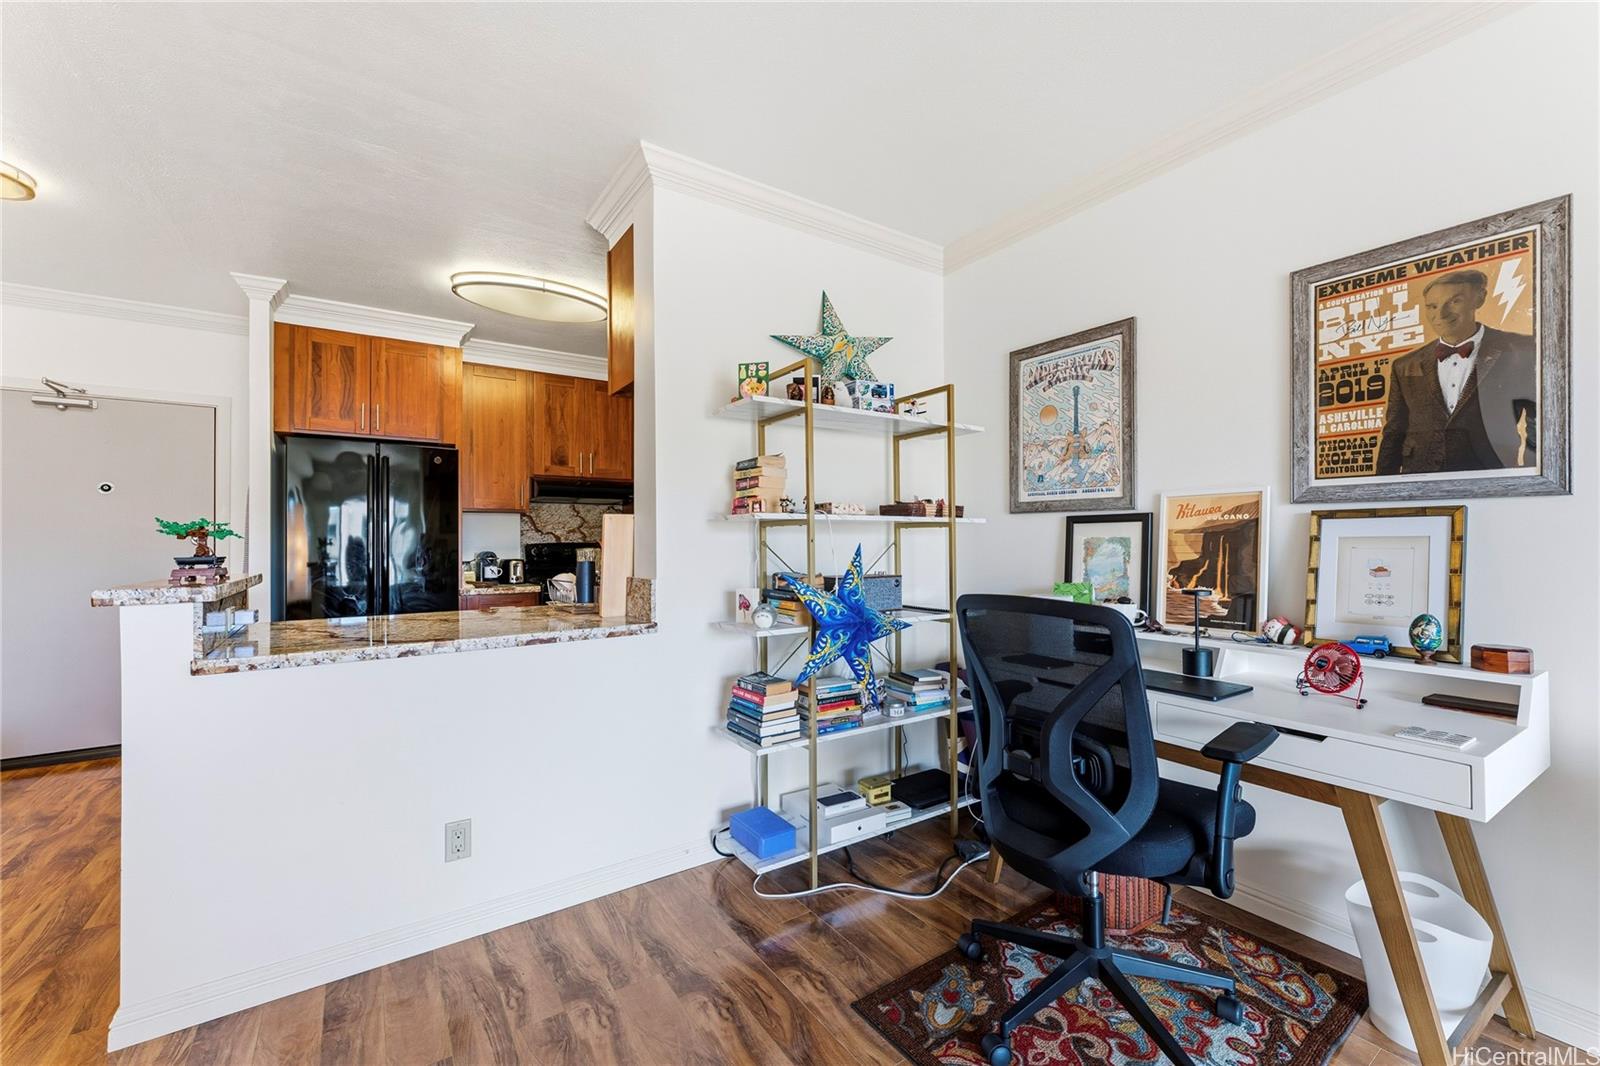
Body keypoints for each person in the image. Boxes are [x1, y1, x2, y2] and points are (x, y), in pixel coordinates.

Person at [1375, 269, 1537, 475]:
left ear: (1479, 299)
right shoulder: (1405, 365)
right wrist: (1383, 484)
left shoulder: (1520, 349)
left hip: (1491, 475)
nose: (1441, 314)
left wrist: (1531, 478)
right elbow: (1394, 433)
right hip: (1419, 478)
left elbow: (1537, 422)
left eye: (1454, 301)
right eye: (1432, 306)